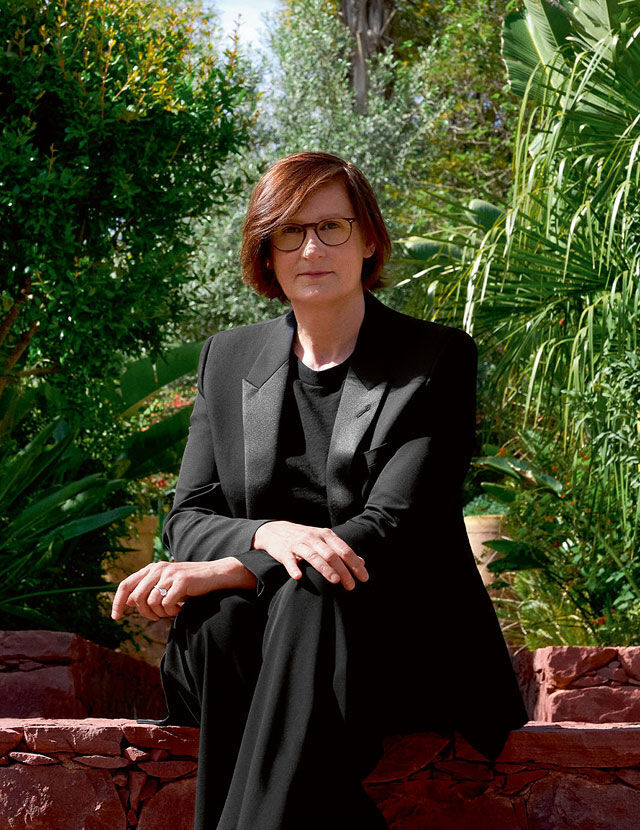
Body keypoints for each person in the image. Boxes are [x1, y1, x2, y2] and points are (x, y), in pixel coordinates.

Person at [111, 151, 529, 829]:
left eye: (333, 227)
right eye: (290, 231)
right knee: (220, 625)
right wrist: (264, 535)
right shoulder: (228, 358)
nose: (312, 247)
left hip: (396, 647)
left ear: (369, 241)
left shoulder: (434, 361)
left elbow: (395, 525)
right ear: (265, 254)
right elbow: (186, 514)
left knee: (310, 593)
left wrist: (236, 569)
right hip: (250, 650)